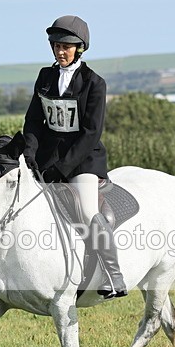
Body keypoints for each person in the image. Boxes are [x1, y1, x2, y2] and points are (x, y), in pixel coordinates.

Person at [23, 15, 127, 299]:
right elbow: (33, 121)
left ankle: (112, 275)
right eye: (56, 46)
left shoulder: (94, 83)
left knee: (85, 210)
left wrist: (63, 166)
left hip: (82, 160)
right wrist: (30, 154)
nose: (60, 51)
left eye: (66, 47)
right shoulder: (45, 77)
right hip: (47, 158)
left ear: (79, 49)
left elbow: (91, 132)